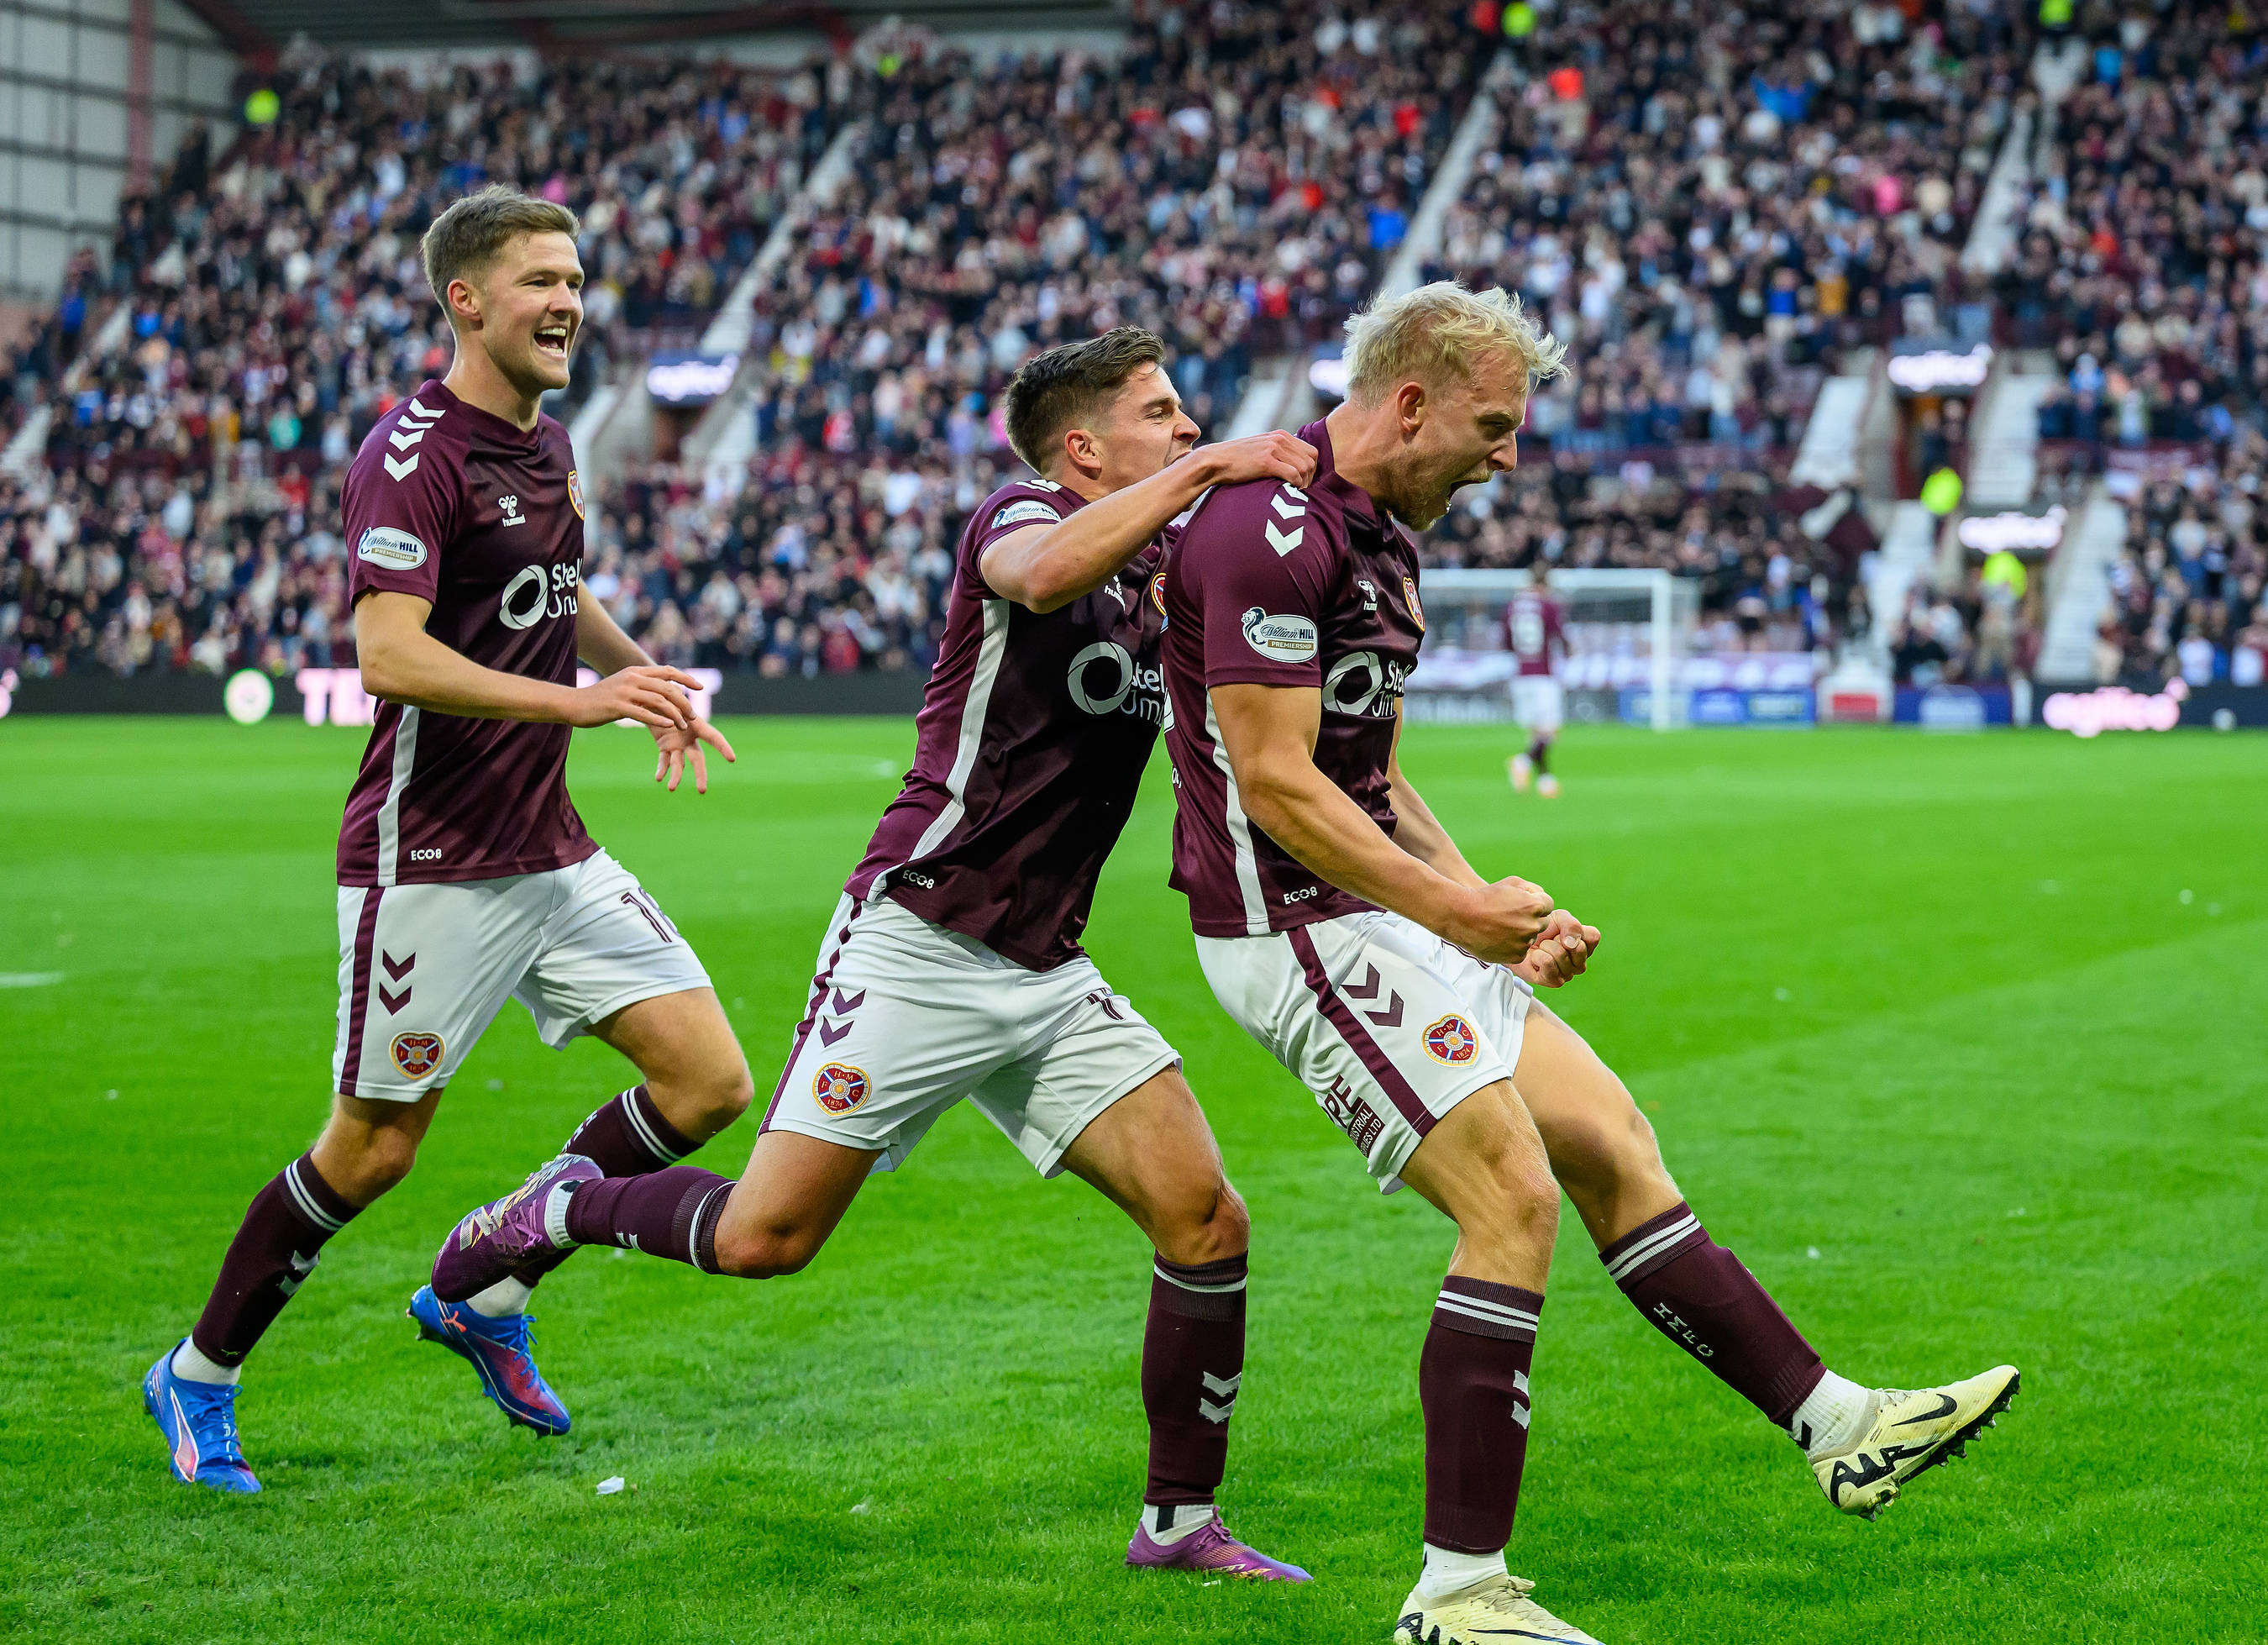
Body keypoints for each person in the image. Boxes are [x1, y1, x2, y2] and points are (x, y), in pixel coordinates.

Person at [1158, 281, 2019, 1645]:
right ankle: (1458, 1593)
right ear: (1410, 400)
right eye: (1494, 427)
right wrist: (1458, 917)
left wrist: (1482, 900)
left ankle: (1841, 1423)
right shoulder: (1267, 529)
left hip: (1364, 898)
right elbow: (1275, 786)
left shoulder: (1381, 534)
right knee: (1511, 1195)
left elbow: (1366, 776)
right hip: (1290, 924)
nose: (1509, 457)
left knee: (1611, 1136)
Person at [429, 328, 1324, 1580]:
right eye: (1162, 413)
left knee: (1205, 1214)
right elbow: (1042, 572)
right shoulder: (1021, 514)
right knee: (764, 1238)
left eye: (1188, 415)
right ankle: (555, 1205)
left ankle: (1177, 1526)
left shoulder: (1157, 565)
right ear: (1084, 446)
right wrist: (1208, 469)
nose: (1186, 429)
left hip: (1046, 969)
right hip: (921, 937)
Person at [141, 187, 749, 1494]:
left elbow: (555, 594)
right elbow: (390, 654)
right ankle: (197, 1377)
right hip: (432, 860)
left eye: (575, 276)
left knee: (707, 1084)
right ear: (466, 298)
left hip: (552, 845)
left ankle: (493, 1270)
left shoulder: (554, 438)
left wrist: (645, 677)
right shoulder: (413, 452)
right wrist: (580, 703)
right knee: (371, 1148)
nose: (569, 300)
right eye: (541, 279)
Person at [1505, 563, 1567, 796]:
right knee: (1549, 731)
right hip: (1543, 675)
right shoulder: (1548, 605)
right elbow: (1558, 634)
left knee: (1536, 733)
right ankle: (1522, 762)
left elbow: (1507, 641)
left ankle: (1545, 780)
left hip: (1521, 674)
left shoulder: (1512, 606)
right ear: (1544, 585)